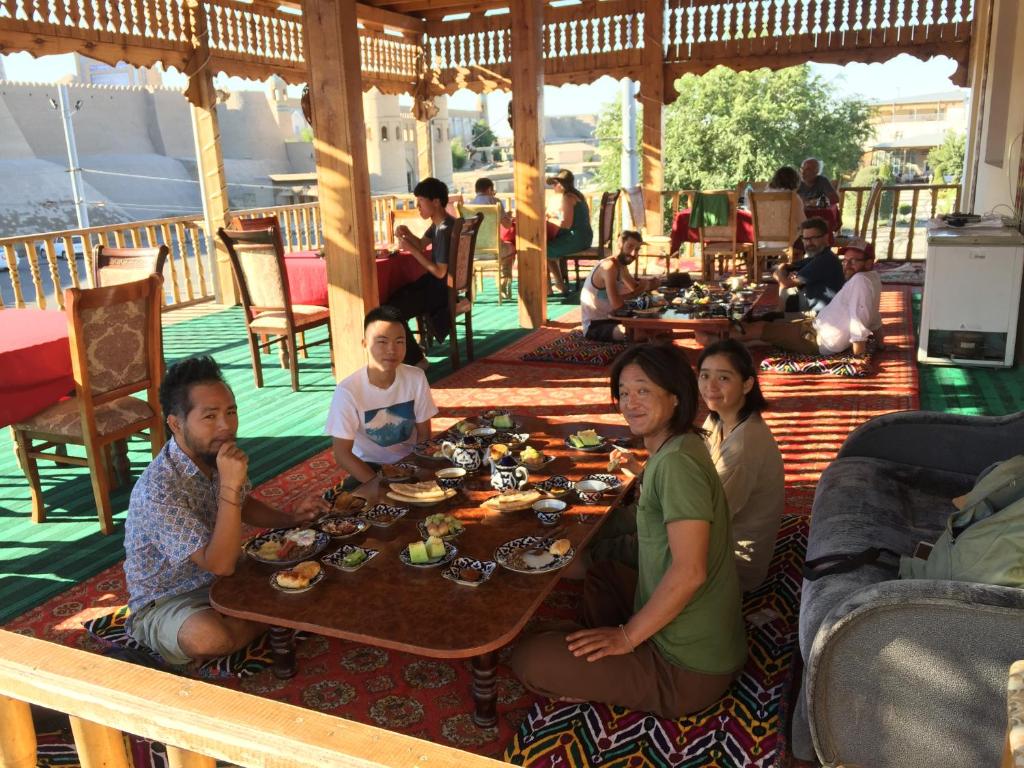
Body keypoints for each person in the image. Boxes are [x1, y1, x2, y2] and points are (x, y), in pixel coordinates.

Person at [509, 343, 746, 719]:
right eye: (623, 392)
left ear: (674, 396)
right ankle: (596, 658)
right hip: (697, 636)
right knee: (602, 574)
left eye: (643, 390)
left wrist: (626, 637)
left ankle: (599, 665)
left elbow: (690, 572)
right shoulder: (679, 445)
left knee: (529, 658)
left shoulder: (676, 465)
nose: (630, 402)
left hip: (687, 670)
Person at [123, 356, 325, 667]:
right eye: (210, 416)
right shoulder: (158, 489)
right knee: (210, 637)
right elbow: (219, 564)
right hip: (169, 599)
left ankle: (268, 612)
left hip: (228, 578)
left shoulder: (214, 454)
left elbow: (243, 505)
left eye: (230, 412)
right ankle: (280, 614)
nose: (225, 426)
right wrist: (230, 486)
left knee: (318, 563)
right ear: (176, 423)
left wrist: (291, 519)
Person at [697, 340, 785, 592]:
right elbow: (697, 468)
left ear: (747, 384)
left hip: (734, 565)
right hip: (716, 534)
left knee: (633, 544)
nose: (710, 387)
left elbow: (707, 519)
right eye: (704, 376)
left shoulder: (743, 446)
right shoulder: (719, 417)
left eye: (723, 378)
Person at [325, 305, 438, 490]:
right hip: (370, 467)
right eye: (382, 342)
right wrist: (381, 485)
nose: (392, 350)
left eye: (399, 341)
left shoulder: (416, 377)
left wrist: (416, 471)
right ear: (365, 344)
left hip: (409, 463)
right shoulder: (348, 391)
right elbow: (342, 454)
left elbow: (424, 434)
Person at [712, 237, 881, 356]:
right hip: (817, 327)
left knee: (761, 327)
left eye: (854, 261)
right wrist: (880, 343)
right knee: (771, 326)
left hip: (817, 338)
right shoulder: (872, 279)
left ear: (869, 262)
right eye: (846, 260)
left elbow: (858, 321)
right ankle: (738, 340)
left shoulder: (860, 281)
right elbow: (873, 315)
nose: (847, 265)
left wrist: (859, 358)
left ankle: (713, 339)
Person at [389, 177, 457, 368]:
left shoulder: (443, 230)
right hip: (443, 288)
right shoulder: (444, 223)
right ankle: (413, 356)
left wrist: (411, 249)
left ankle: (417, 360)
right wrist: (408, 234)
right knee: (393, 301)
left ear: (435, 201)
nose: (418, 206)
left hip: (439, 291)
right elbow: (421, 244)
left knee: (391, 310)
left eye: (420, 201)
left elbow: (439, 272)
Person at [581, 230, 658, 342]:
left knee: (659, 326)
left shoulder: (620, 266)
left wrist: (651, 284)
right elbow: (617, 304)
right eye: (630, 246)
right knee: (640, 334)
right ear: (619, 244)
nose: (633, 254)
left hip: (614, 319)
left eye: (637, 249)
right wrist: (643, 287)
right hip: (596, 325)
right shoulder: (608, 266)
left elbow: (635, 289)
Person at [774, 217, 844, 314]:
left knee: (786, 292)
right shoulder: (818, 256)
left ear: (826, 237)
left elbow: (785, 283)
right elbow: (785, 269)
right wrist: (783, 270)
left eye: (813, 238)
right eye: (805, 239)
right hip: (814, 305)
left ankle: (782, 319)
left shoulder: (824, 260)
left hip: (821, 314)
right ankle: (780, 317)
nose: (809, 243)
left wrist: (781, 268)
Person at [544, 169, 593, 294]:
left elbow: (566, 224)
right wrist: (556, 215)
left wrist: (551, 218)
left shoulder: (567, 198)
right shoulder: (577, 195)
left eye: (555, 184)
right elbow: (570, 219)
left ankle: (551, 287)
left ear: (561, 184)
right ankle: (559, 284)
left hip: (576, 239)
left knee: (542, 250)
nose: (553, 187)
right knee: (547, 248)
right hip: (584, 237)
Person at [470, 176, 516, 300]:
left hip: (473, 252)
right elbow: (507, 226)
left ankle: (472, 294)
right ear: (490, 189)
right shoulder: (494, 201)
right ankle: (503, 284)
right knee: (512, 248)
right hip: (495, 251)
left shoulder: (469, 205)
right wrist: (508, 217)